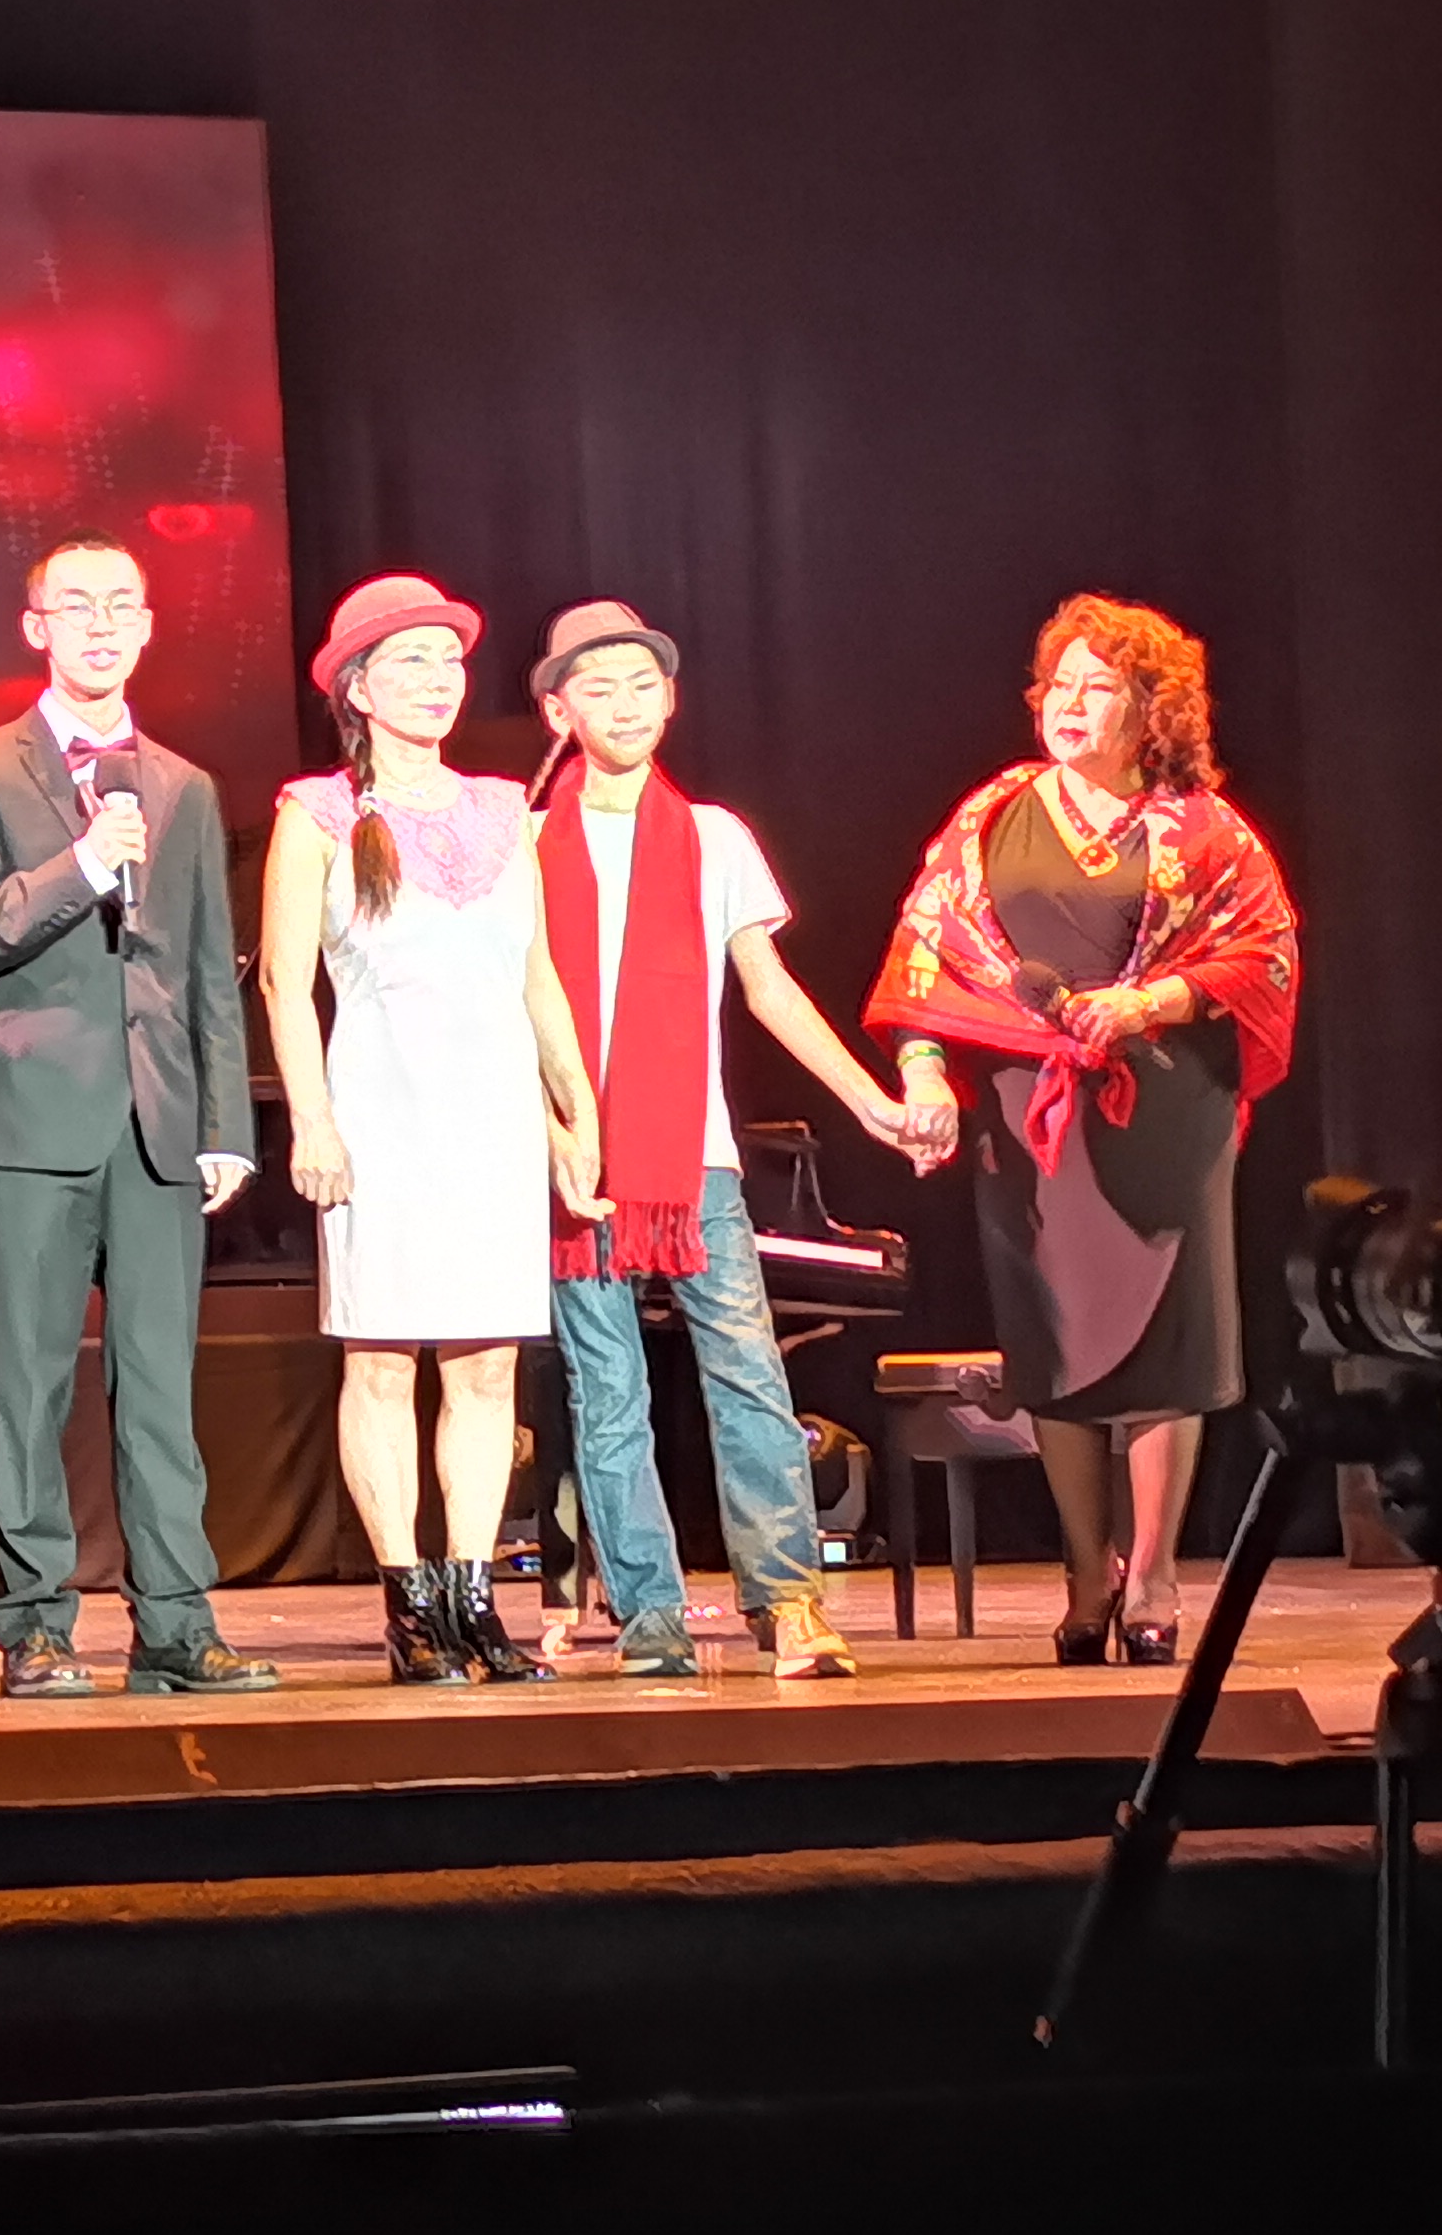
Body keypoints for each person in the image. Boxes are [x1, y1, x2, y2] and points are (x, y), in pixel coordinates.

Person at [868, 595, 1298, 1664]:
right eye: (1058, 684)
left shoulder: (1202, 827)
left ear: (1150, 708)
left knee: (1168, 1343)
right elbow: (927, 956)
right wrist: (923, 1071)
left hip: (1165, 1109)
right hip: (1029, 1120)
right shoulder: (993, 813)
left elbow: (1263, 952)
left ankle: (1151, 1576)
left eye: (1096, 686)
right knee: (1051, 1343)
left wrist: (1148, 1002)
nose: (1068, 703)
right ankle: (1083, 1574)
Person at [529, 600, 920, 1683]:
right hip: (577, 1157)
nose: (624, 706)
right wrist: (555, 1127)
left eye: (642, 685)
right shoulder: (522, 841)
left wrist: (869, 1101)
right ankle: (649, 1612)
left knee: (747, 1374)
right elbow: (507, 1004)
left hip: (693, 1158)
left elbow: (769, 989)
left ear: (670, 699)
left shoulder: (713, 835)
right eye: (598, 688)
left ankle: (788, 1601)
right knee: (608, 1390)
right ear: (559, 710)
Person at [0, 534, 275, 1699]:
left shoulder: (183, 786)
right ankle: (33, 1624)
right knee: (27, 1384)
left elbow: (208, 970)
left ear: (147, 625)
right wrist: (81, 864)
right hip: (35, 1116)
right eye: (75, 606)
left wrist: (225, 1122)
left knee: (160, 1386)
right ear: (37, 627)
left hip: (160, 1124)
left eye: (120, 605)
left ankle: (176, 1622)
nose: (100, 625)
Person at [258, 574, 609, 1686]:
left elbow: (536, 974)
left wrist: (572, 1108)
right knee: (380, 1360)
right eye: (408, 660)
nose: (436, 679)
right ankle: (409, 1604)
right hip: (381, 1111)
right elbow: (282, 980)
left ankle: (473, 1598)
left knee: (487, 1366)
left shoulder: (503, 811)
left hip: (491, 1116)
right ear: (357, 688)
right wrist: (312, 1122)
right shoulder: (317, 812)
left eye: (449, 660)